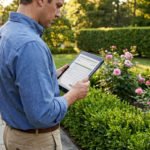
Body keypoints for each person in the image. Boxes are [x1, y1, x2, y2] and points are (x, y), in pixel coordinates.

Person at [0, 0, 90, 149]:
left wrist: (49, 76)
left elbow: (12, 79)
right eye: (58, 5)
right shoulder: (30, 44)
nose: (59, 14)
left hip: (14, 135)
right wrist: (74, 94)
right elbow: (43, 114)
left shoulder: (6, 31)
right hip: (34, 142)